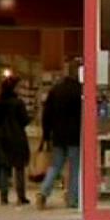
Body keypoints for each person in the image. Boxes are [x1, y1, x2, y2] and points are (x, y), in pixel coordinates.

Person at [37, 67, 83, 210]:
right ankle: (72, 199)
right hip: (75, 135)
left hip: (58, 135)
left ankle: (43, 192)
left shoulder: (55, 90)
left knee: (56, 165)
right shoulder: (79, 91)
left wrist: (46, 134)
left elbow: (47, 114)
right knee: (75, 168)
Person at [0, 76, 32, 206]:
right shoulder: (18, 103)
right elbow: (25, 120)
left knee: (4, 167)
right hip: (17, 136)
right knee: (19, 167)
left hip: (2, 137)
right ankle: (21, 196)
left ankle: (3, 197)